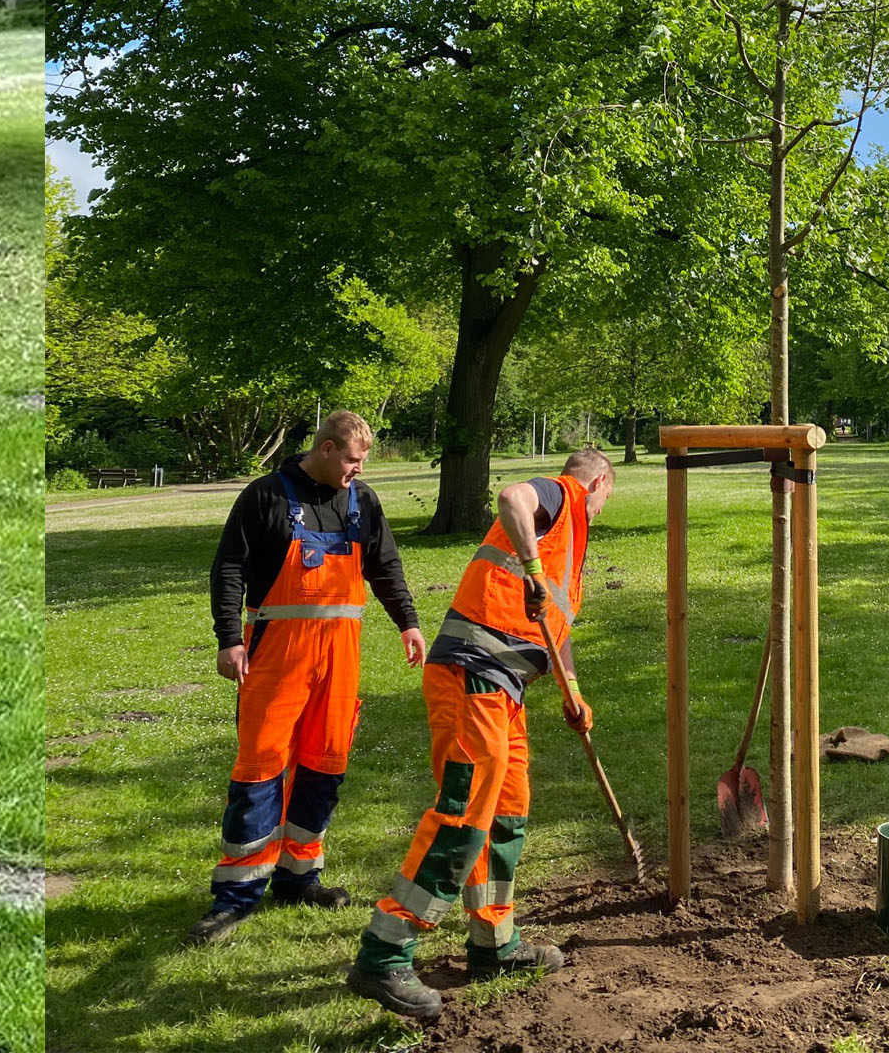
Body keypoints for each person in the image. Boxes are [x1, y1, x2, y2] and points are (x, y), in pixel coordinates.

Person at [346, 446, 616, 1020]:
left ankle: (493, 944)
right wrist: (533, 567)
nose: (601, 510)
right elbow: (512, 496)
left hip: (507, 691)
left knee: (508, 813)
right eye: (606, 499)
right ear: (597, 483)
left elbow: (553, 625)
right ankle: (385, 952)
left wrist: (572, 689)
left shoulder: (569, 547)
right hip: (473, 676)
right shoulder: (558, 495)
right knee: (464, 811)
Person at [186, 410, 425, 946]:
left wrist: (408, 623)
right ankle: (237, 895)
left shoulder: (363, 503)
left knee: (324, 763)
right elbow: (229, 568)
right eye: (352, 461)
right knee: (259, 769)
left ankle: (299, 876)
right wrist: (229, 638)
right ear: (325, 448)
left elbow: (385, 566)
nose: (356, 472)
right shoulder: (265, 496)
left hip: (340, 661)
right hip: (276, 657)